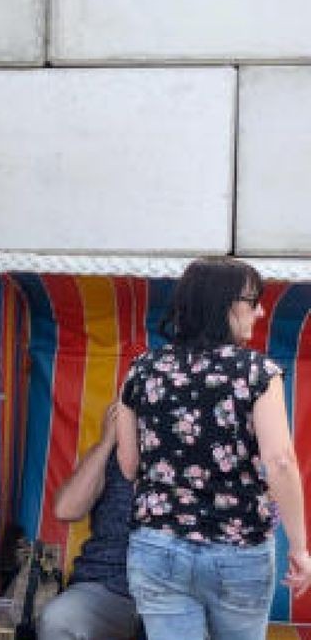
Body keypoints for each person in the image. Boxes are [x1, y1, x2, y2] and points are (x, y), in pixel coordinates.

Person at [116, 256, 311, 638]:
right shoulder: (257, 372)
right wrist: (300, 548)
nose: (261, 310)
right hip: (239, 548)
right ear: (225, 304)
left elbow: (127, 465)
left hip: (158, 544)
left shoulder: (141, 369)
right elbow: (281, 462)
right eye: (253, 300)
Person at [36, 403, 140, 640]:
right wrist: (107, 443)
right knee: (58, 620)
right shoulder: (111, 455)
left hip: (176, 590)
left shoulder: (207, 455)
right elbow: (65, 509)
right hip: (109, 585)